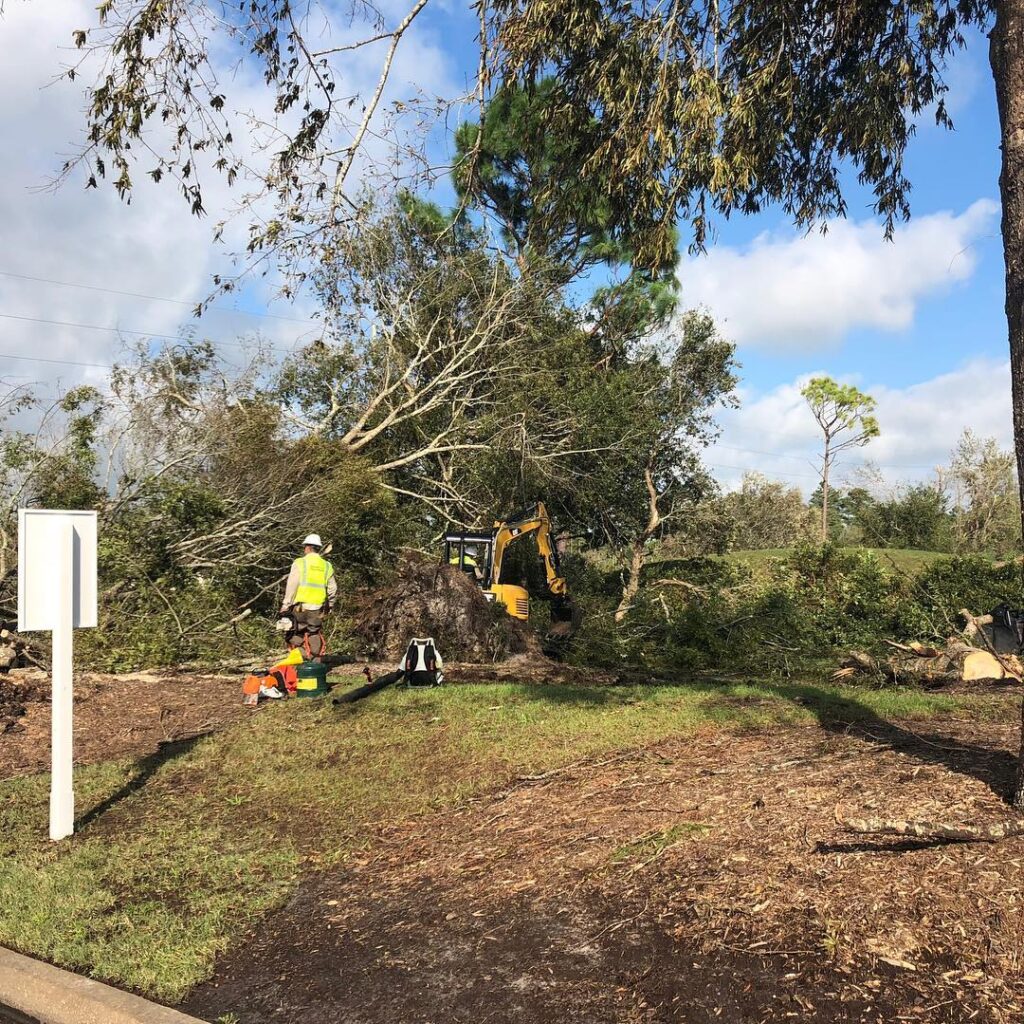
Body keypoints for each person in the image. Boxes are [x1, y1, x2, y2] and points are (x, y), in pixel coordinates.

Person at [280, 533, 337, 661]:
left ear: (308, 547)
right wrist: (331, 605)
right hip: (317, 608)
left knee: (293, 633)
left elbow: (292, 584)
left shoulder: (300, 562)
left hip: (300, 608)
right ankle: (315, 661)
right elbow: (333, 589)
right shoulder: (327, 566)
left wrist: (286, 604)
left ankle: (302, 657)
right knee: (314, 632)